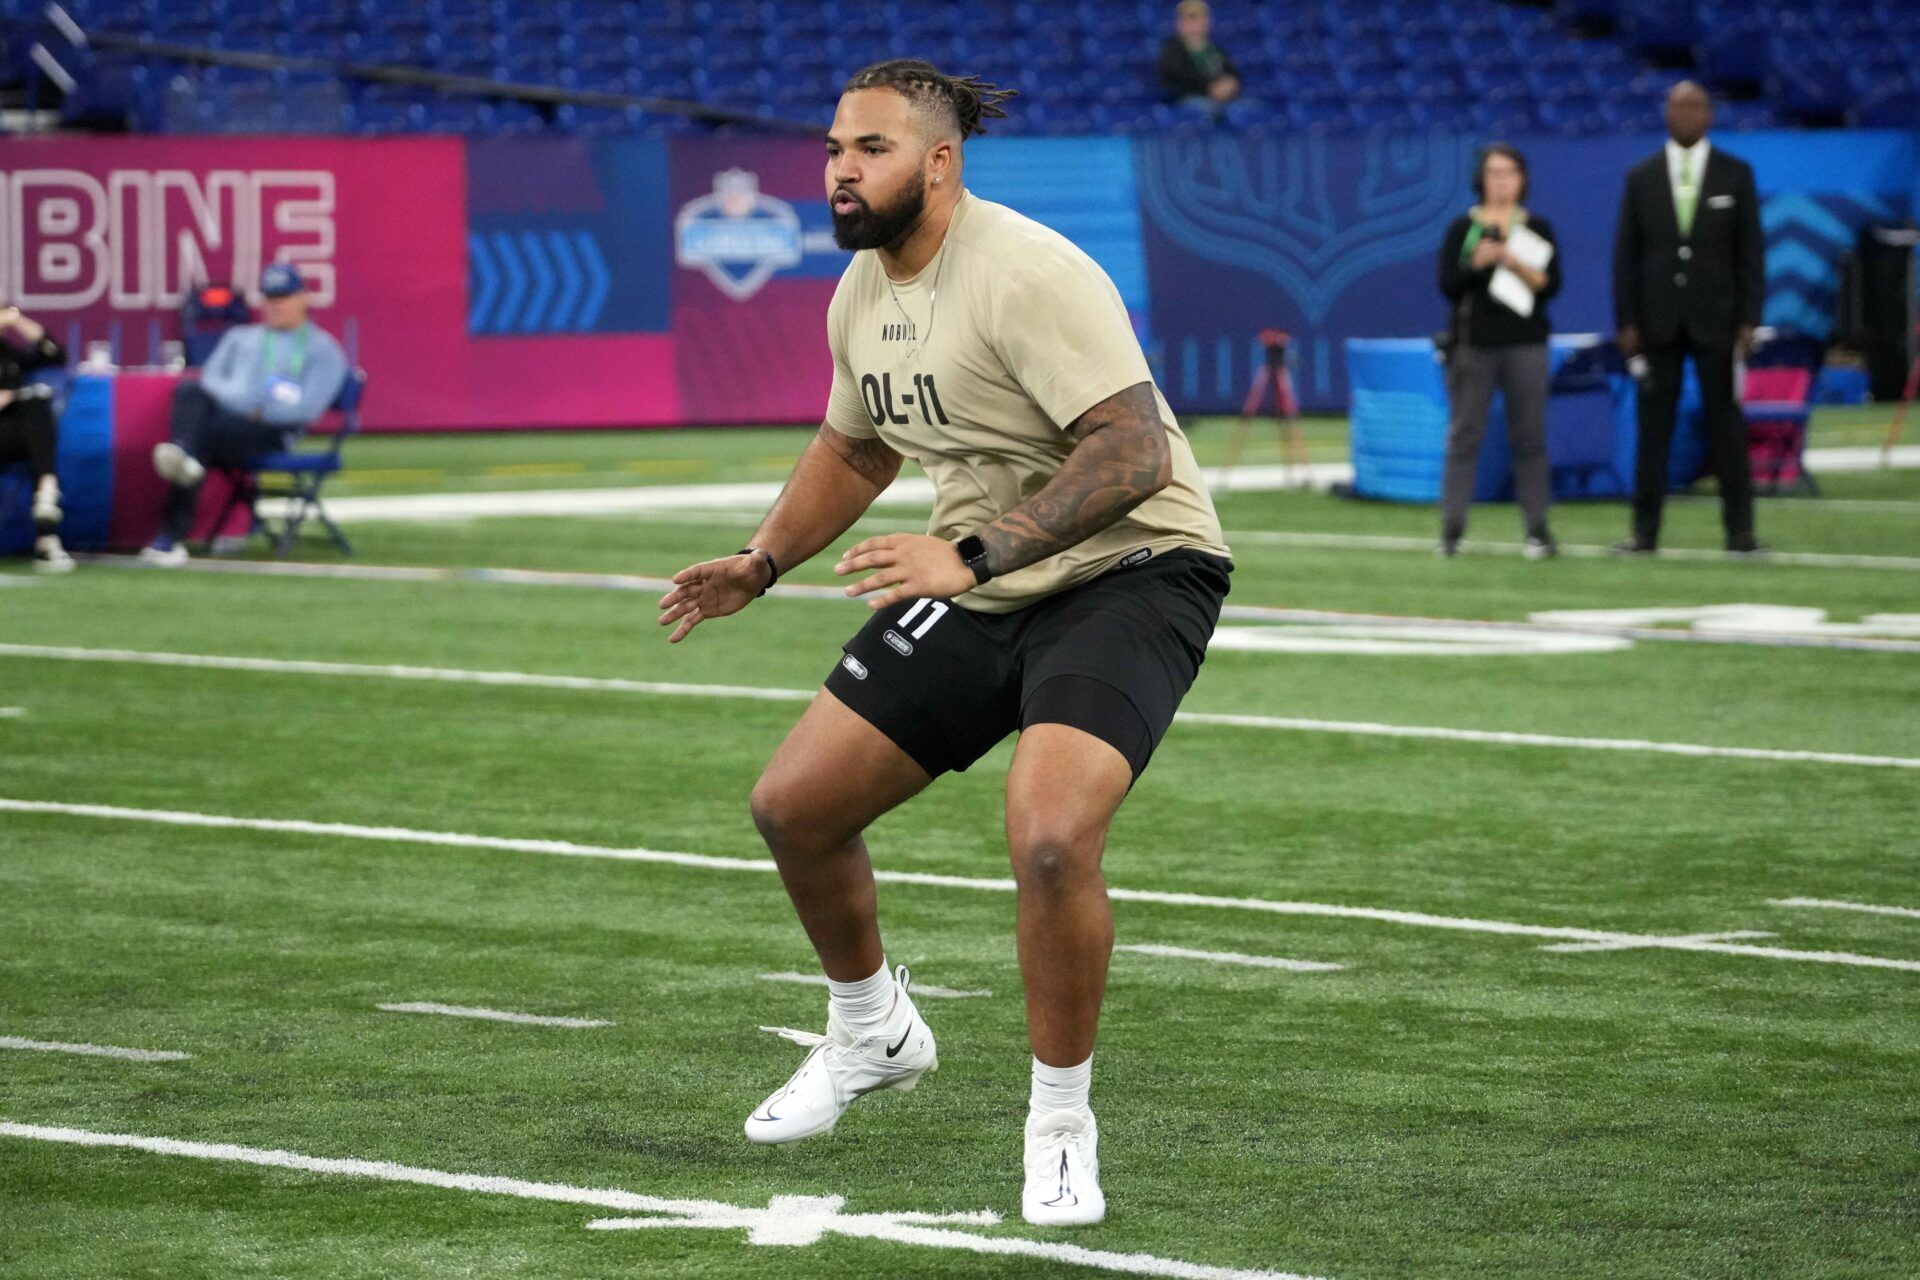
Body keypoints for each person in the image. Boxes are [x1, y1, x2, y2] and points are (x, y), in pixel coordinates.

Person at [656, 59, 1232, 1227]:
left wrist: (969, 557)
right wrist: (764, 560)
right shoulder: (859, 291)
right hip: (982, 574)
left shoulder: (1027, 270)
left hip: (1132, 569)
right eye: (831, 149)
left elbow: (1134, 454)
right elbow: (858, 449)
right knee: (795, 805)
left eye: (868, 149)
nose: (839, 171)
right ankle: (873, 1032)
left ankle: (1061, 1120)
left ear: (939, 161)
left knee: (1054, 840)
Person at [1612, 80, 1766, 555]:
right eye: (1677, 106)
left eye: (1695, 105)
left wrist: (1749, 320)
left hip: (1717, 320)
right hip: (1658, 322)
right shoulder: (1642, 177)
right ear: (1665, 114)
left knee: (1727, 426)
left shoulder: (1734, 175)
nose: (1685, 113)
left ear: (1710, 114)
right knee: (1653, 429)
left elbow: (1751, 255)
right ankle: (1644, 531)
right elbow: (1625, 256)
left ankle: (1740, 532)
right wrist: (1627, 322)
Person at [140, 263, 347, 565]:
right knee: (189, 393)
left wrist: (261, 411)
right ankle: (184, 455)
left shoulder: (323, 349)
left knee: (201, 437)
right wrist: (243, 403)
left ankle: (171, 529)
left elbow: (308, 407)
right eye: (269, 297)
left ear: (304, 298)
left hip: (270, 430)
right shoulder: (241, 337)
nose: (275, 304)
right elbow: (209, 378)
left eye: (284, 297)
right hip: (231, 416)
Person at [1435, 143, 1562, 559]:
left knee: (1530, 438)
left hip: (1526, 343)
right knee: (1465, 436)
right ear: (1481, 179)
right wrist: (1477, 262)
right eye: (1493, 172)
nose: (1501, 180)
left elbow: (1551, 284)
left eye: (1509, 172)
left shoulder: (1535, 227)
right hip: (1474, 345)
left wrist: (1513, 260)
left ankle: (1538, 530)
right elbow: (1448, 285)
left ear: (1522, 178)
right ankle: (1451, 531)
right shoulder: (1464, 228)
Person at [0, 299, 72, 573]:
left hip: (11, 437)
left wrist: (17, 319)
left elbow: (54, 354)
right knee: (33, 417)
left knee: (38, 404)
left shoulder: (9, 356)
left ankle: (46, 500)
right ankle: (47, 525)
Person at [1157, 0, 1252, 126]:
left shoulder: (1214, 49)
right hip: (1187, 99)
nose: (1196, 24)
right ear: (1180, 23)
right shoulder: (1172, 50)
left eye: (1200, 18)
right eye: (1191, 18)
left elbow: (1232, 72)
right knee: (1209, 110)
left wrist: (1231, 84)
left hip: (1224, 100)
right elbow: (1176, 76)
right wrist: (1209, 88)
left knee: (1249, 108)